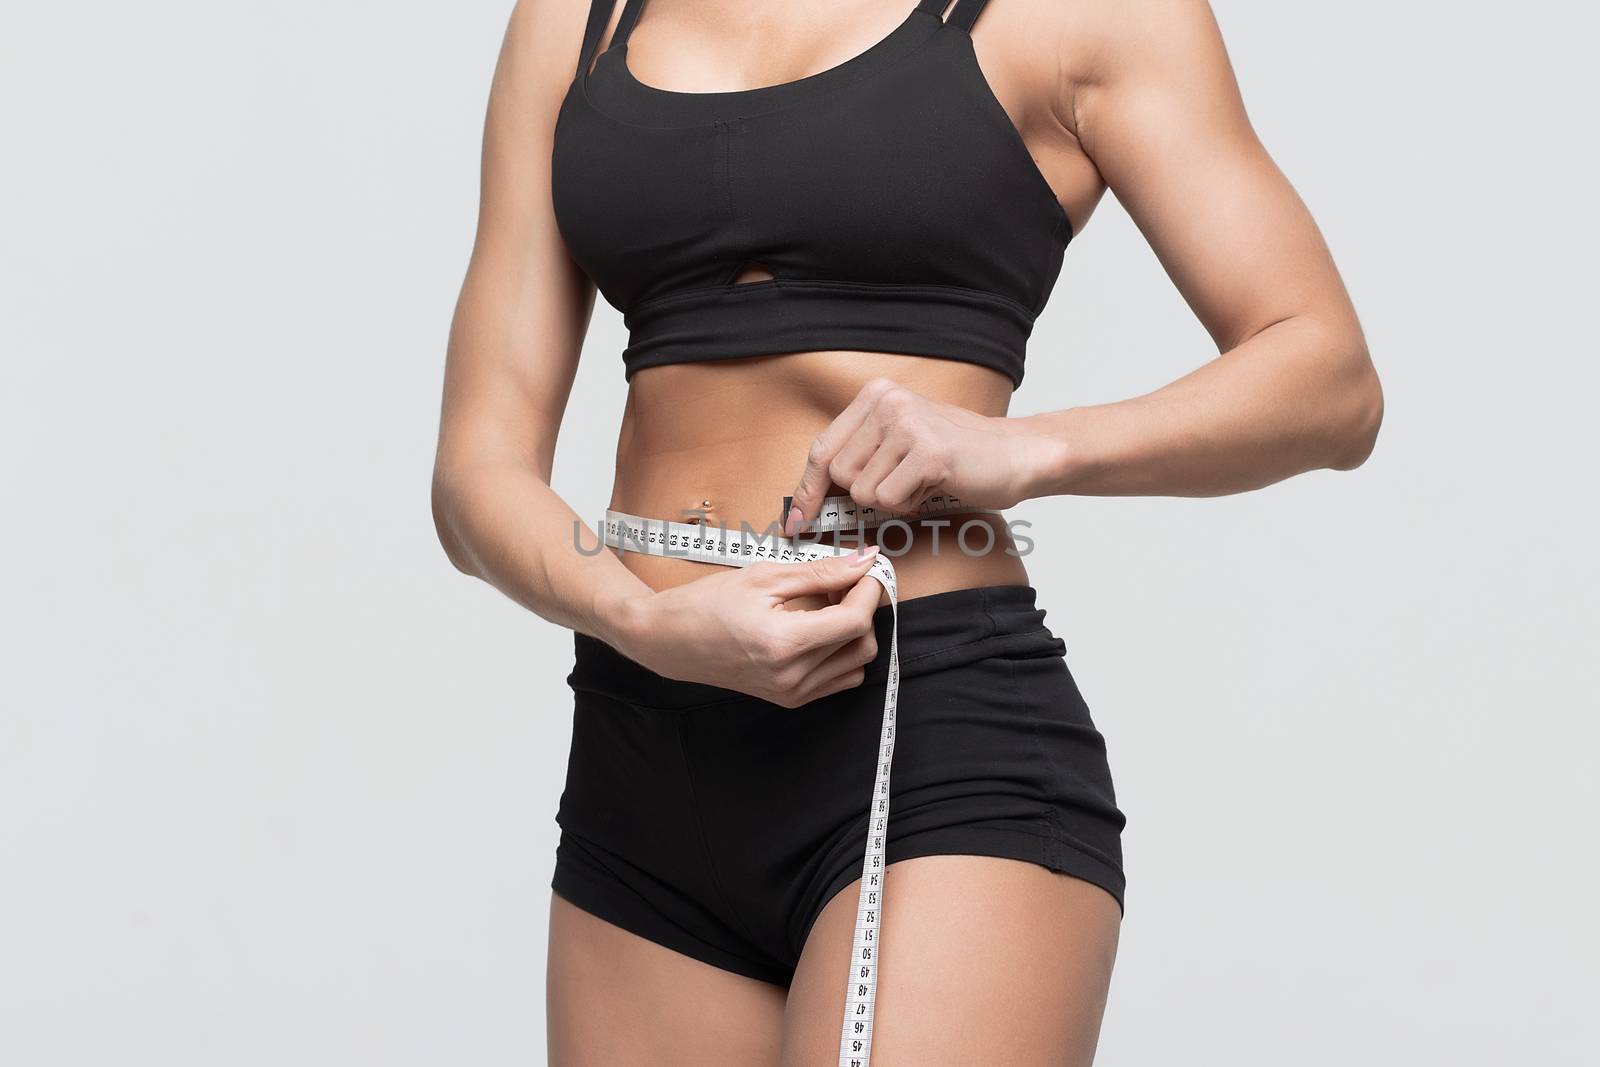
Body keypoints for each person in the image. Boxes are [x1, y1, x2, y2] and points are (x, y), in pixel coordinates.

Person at [431, 0, 1383, 1062]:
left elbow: (1329, 379)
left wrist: (1028, 451)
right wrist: (635, 619)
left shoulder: (1081, 13)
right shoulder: (577, 19)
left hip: (930, 734)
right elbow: (474, 476)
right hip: (642, 750)